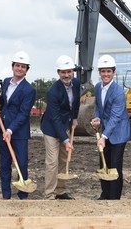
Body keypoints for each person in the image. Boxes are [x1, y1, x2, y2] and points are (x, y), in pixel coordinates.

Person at [0, 51, 36, 200]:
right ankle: (6, 195)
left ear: (27, 70)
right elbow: (5, 99)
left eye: (23, 67)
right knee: (5, 164)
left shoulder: (29, 90)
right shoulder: (6, 81)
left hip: (19, 133)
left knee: (21, 164)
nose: (20, 68)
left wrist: (10, 130)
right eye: (17, 65)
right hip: (3, 130)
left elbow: (23, 113)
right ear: (13, 66)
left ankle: (23, 195)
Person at [91, 54, 131, 200]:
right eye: (103, 71)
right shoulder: (97, 87)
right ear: (100, 72)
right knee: (103, 162)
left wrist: (103, 136)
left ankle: (114, 197)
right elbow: (99, 107)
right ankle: (105, 193)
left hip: (118, 133)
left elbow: (115, 117)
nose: (106, 74)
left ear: (113, 73)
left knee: (114, 165)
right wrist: (97, 117)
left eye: (109, 71)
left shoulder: (119, 92)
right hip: (106, 132)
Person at [41, 55, 80, 200]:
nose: (66, 75)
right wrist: (65, 140)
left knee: (64, 160)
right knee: (52, 162)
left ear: (72, 72)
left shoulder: (76, 83)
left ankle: (60, 191)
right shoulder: (53, 91)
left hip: (67, 124)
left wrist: (75, 118)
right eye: (63, 72)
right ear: (58, 73)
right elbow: (55, 118)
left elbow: (76, 103)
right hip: (51, 128)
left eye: (69, 71)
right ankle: (49, 194)